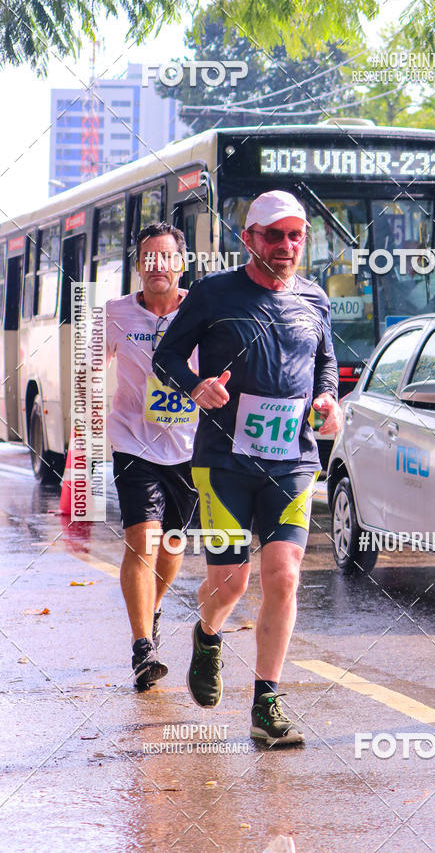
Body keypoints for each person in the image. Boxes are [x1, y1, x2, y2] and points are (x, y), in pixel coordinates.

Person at [153, 190, 342, 744]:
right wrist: (196, 386)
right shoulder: (214, 293)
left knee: (284, 574)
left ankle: (266, 702)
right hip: (223, 461)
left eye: (295, 236)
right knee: (230, 582)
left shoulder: (315, 299)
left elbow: (326, 363)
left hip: (292, 459)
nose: (286, 246)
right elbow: (166, 357)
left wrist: (328, 398)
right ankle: (208, 633)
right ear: (249, 239)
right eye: (274, 235)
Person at [106, 222, 199, 689]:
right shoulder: (116, 313)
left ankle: (153, 608)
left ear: (181, 264)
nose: (157, 264)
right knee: (143, 539)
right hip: (132, 443)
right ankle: (144, 647)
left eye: (166, 256)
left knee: (172, 544)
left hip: (187, 448)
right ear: (138, 265)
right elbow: (89, 366)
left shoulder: (202, 312)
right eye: (149, 256)